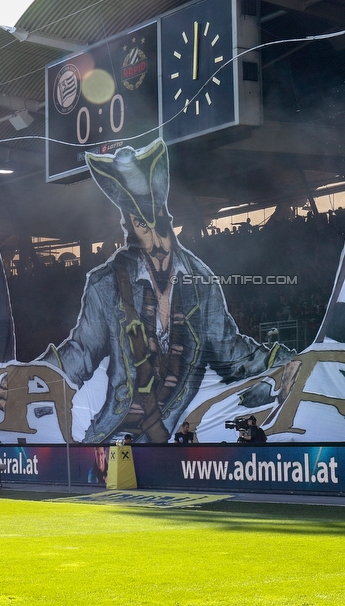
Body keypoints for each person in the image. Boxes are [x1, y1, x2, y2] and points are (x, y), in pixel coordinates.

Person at [46, 140, 293, 444]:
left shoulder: (201, 282)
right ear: (131, 229)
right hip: (110, 433)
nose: (157, 240)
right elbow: (80, 355)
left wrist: (287, 362)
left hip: (169, 433)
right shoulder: (106, 284)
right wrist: (35, 378)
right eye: (142, 226)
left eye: (159, 224)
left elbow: (233, 355)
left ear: (168, 220)